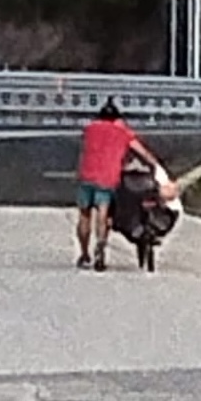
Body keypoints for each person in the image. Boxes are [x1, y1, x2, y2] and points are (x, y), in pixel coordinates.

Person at [74, 97, 166, 272]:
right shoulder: (122, 132)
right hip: (107, 177)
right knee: (103, 212)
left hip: (86, 175)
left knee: (84, 215)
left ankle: (85, 254)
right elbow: (142, 152)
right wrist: (156, 165)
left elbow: (86, 148)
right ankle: (100, 246)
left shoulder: (90, 129)